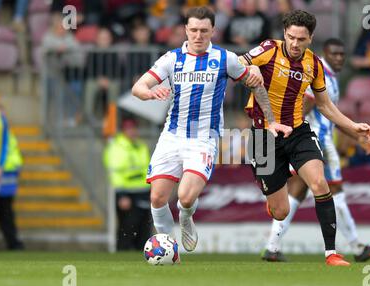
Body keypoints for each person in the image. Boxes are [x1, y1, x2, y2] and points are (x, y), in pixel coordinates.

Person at [132, 6, 291, 252]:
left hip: (203, 139)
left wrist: (269, 120)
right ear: (185, 29)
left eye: (203, 31)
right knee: (157, 197)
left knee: (185, 197)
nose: (198, 35)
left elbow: (255, 84)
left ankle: (186, 217)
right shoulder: (171, 59)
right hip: (172, 136)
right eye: (193, 30)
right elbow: (138, 87)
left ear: (213, 31)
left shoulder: (224, 58)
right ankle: (168, 248)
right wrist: (150, 93)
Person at [240, 10, 370, 266]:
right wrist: (247, 71)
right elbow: (237, 63)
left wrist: (353, 126)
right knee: (281, 211)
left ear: (310, 38)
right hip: (263, 135)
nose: (294, 43)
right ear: (284, 34)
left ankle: (331, 254)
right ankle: (276, 188)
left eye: (301, 39)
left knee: (319, 183)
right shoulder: (268, 49)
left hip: (298, 132)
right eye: (291, 37)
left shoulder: (314, 64)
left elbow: (324, 106)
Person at [260, 38, 370, 263]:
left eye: (342, 54)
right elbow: (307, 106)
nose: (339, 58)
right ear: (324, 53)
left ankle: (272, 247)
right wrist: (288, 135)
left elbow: (330, 113)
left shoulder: (329, 77)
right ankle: (357, 247)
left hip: (316, 140)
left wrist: (356, 135)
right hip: (315, 142)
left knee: (298, 193)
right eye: (334, 54)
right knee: (334, 189)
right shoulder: (320, 73)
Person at [103, 118, 154, 251]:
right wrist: (121, 195)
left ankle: (143, 256)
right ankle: (122, 254)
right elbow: (115, 174)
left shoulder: (140, 146)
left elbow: (146, 170)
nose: (132, 132)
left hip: (143, 192)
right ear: (123, 131)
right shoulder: (116, 147)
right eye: (128, 129)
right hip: (127, 194)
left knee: (144, 230)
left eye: (133, 128)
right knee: (128, 229)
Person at [0, 129, 24, 250]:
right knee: (6, 214)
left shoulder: (6, 134)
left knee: (6, 214)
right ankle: (13, 243)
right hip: (6, 178)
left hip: (4, 178)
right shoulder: (8, 135)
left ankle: (13, 243)